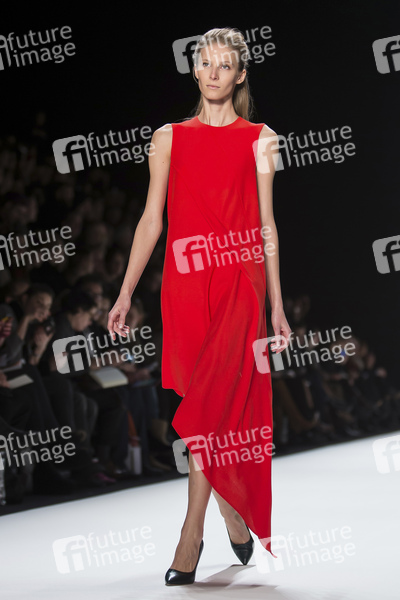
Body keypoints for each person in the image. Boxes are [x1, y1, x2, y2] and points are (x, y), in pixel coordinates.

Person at [107, 27, 291, 585]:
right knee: (204, 409)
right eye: (205, 62)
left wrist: (277, 305)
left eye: (225, 65)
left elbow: (266, 225)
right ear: (194, 70)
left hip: (239, 282)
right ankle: (232, 511)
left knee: (209, 408)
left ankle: (190, 536)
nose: (214, 72)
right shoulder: (167, 138)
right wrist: (125, 290)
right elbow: (151, 219)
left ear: (240, 75)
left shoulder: (262, 138)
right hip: (185, 285)